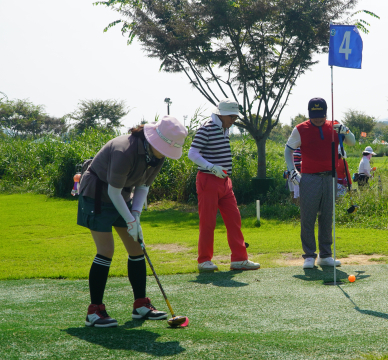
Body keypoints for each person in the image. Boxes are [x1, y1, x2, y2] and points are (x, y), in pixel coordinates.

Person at [77, 116, 188, 328]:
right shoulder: (124, 150)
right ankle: (94, 310)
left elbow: (143, 186)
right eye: (164, 148)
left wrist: (135, 216)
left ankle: (140, 305)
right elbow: (113, 190)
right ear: (154, 140)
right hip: (96, 194)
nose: (165, 153)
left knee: (136, 248)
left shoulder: (157, 155)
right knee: (106, 250)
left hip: (122, 196)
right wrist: (130, 220)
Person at [189, 98, 260, 272]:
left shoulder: (224, 128)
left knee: (234, 219)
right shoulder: (206, 128)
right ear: (221, 114)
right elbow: (192, 153)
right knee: (208, 222)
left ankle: (239, 259)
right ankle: (204, 260)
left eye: (235, 117)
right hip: (208, 180)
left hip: (225, 182)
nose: (234, 121)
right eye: (232, 117)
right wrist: (211, 167)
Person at [284, 97, 356, 269]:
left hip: (330, 177)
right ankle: (309, 256)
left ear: (326, 113)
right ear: (310, 113)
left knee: (327, 216)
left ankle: (325, 255)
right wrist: (293, 170)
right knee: (308, 217)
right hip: (309, 177)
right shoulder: (301, 129)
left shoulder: (335, 126)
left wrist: (346, 131)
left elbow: (352, 142)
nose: (318, 119)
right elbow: (288, 150)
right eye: (314, 115)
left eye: (321, 115)